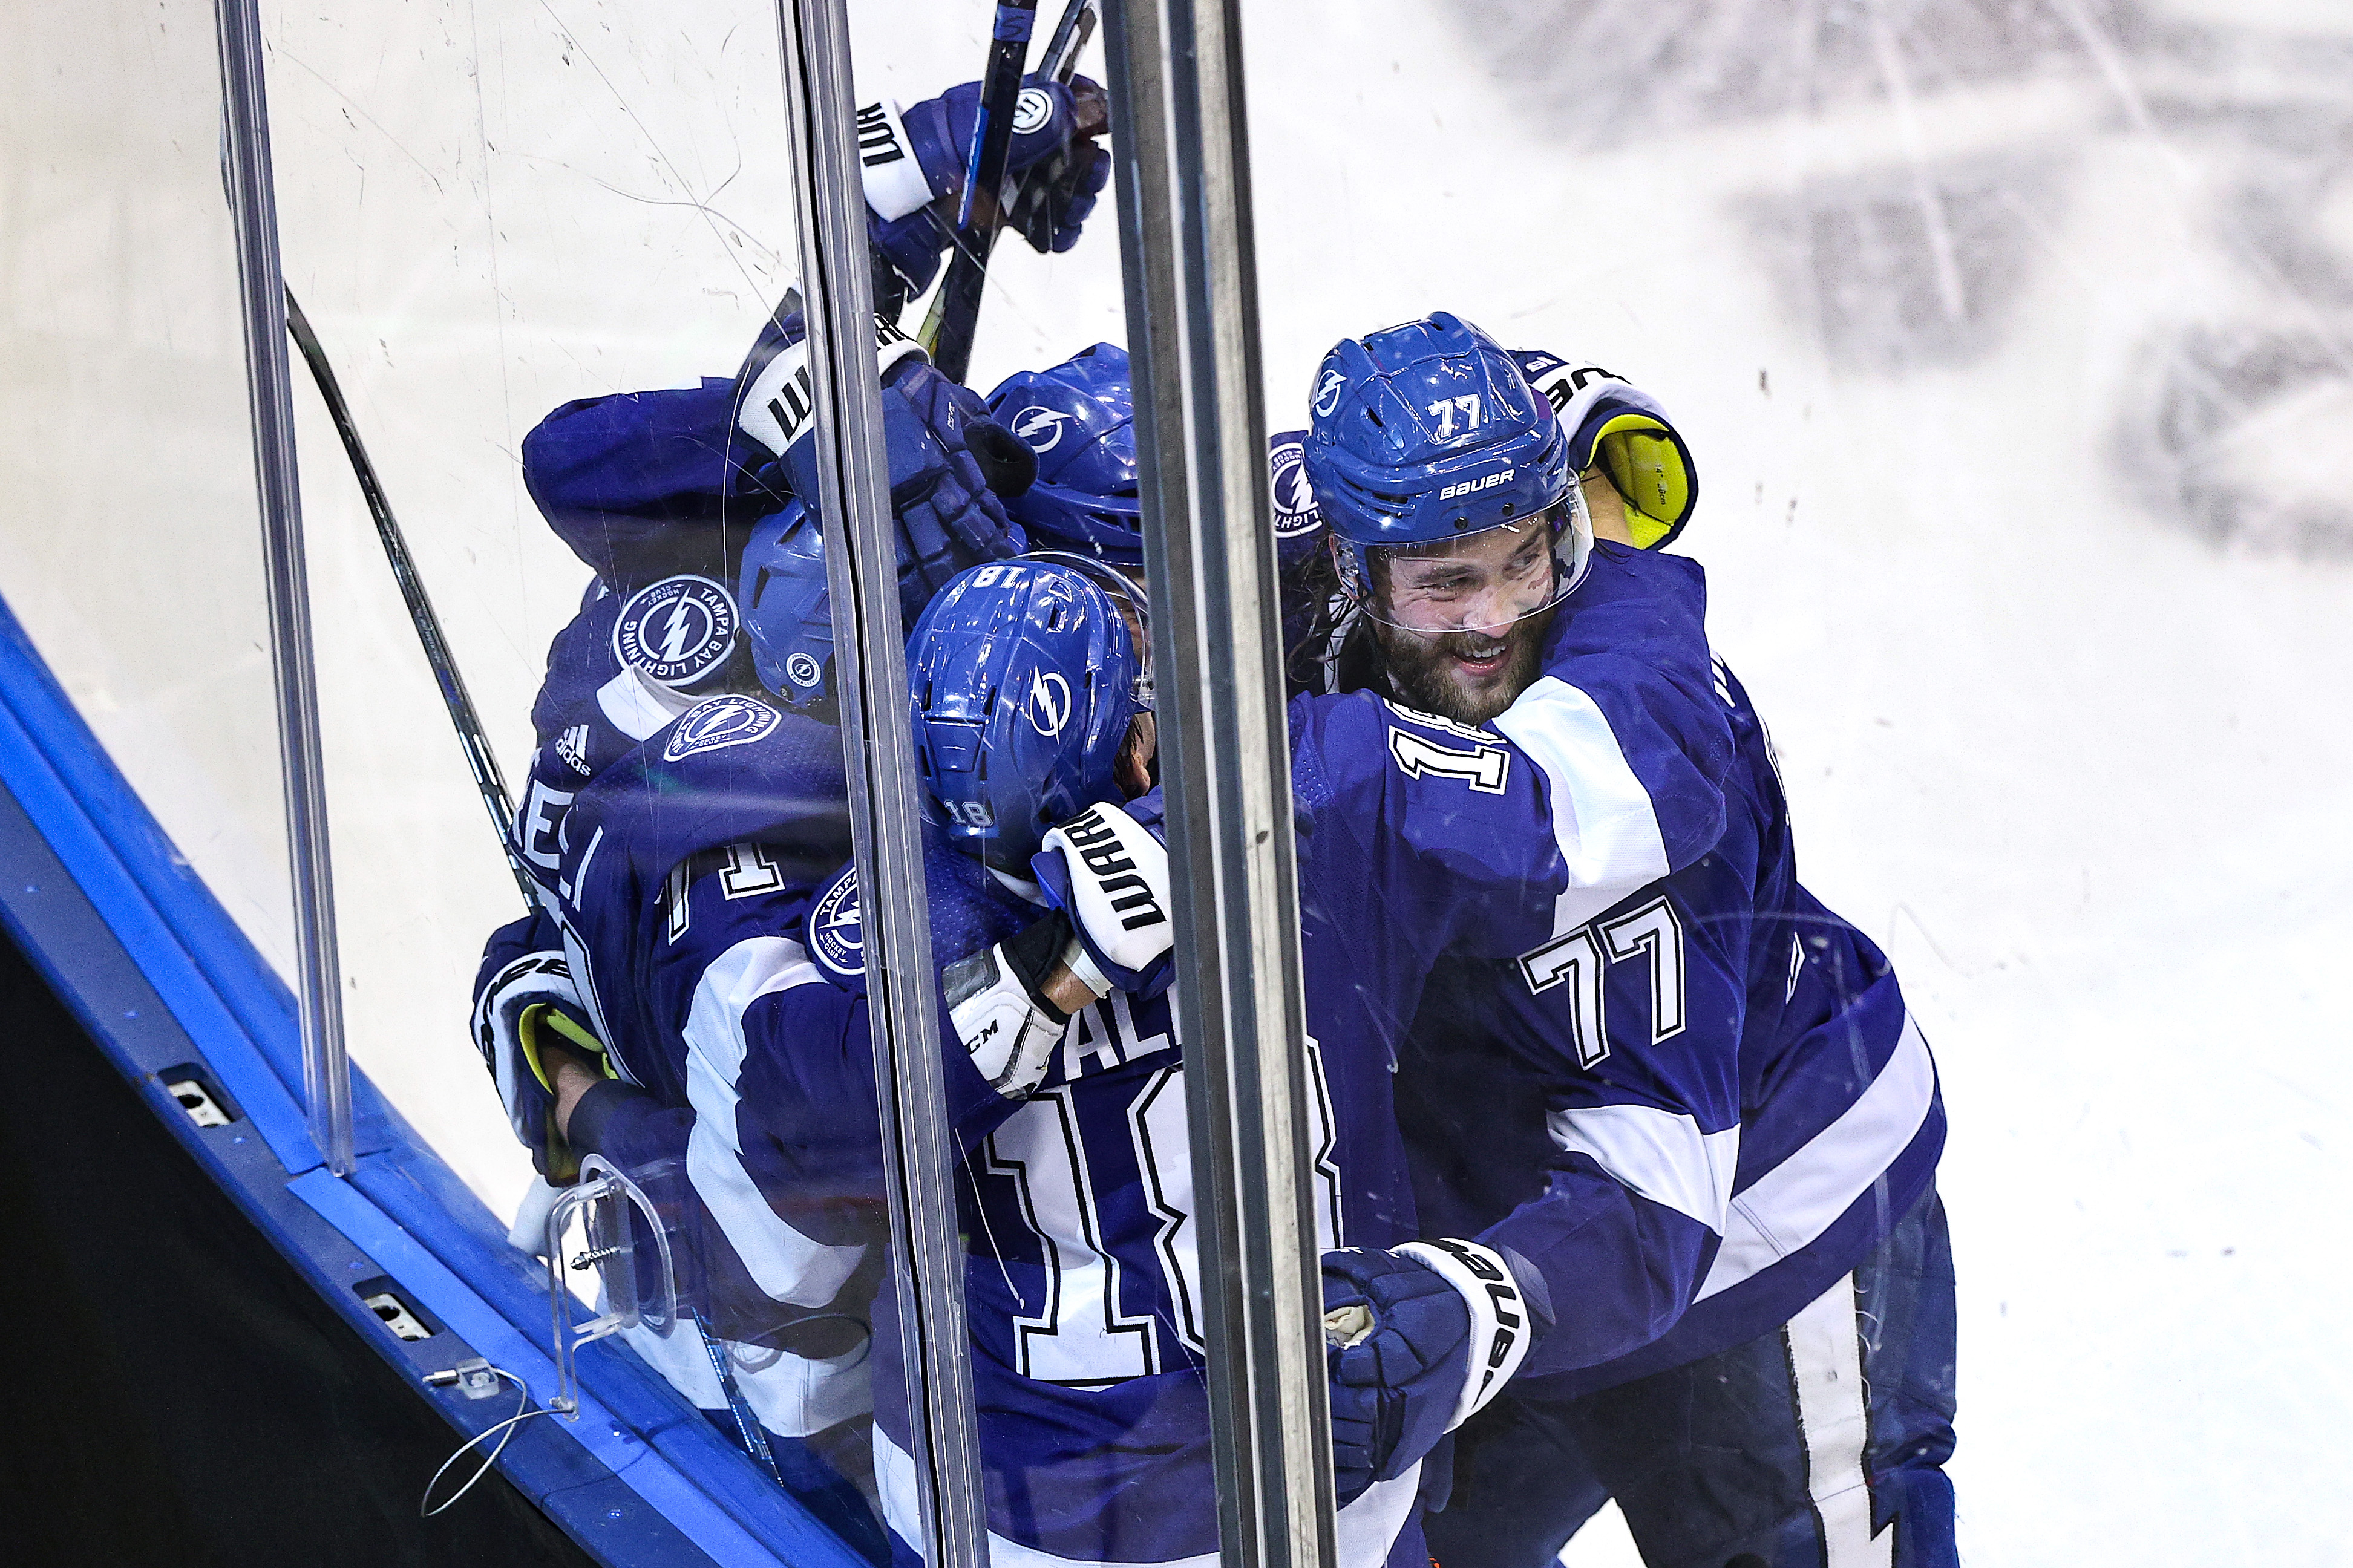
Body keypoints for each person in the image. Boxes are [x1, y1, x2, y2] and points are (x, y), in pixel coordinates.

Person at [1287, 314, 1955, 1568]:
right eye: (1444, 584)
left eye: (1521, 565)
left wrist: (1316, 764)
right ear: (1353, 557)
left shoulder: (1636, 771)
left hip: (1756, 1238)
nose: (1491, 619)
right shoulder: (1325, 535)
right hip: (1510, 1243)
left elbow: (1650, 1196)